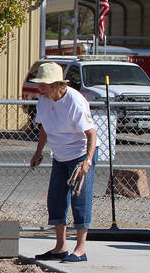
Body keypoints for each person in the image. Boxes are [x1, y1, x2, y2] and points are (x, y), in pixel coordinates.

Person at [28, 61, 98, 262]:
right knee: (56, 199)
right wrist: (38, 152)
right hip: (59, 156)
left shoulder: (75, 101)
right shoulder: (43, 100)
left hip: (80, 154)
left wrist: (88, 160)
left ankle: (81, 249)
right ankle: (60, 247)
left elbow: (91, 134)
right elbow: (44, 128)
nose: (40, 88)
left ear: (58, 85)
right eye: (39, 84)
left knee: (80, 200)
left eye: (44, 84)